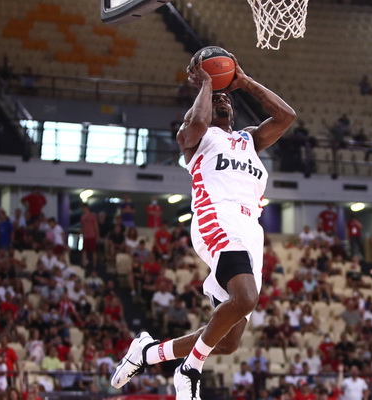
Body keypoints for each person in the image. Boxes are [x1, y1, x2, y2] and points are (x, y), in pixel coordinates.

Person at [110, 50, 295, 400]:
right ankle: (190, 369)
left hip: (251, 230)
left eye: (227, 98)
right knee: (246, 298)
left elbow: (286, 116)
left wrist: (244, 82)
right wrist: (208, 85)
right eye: (216, 99)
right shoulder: (196, 137)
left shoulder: (249, 139)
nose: (223, 100)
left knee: (226, 341)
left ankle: (147, 353)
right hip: (217, 217)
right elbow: (196, 124)